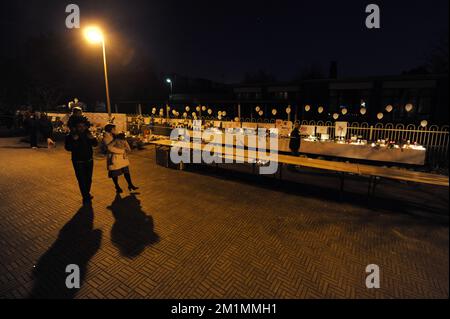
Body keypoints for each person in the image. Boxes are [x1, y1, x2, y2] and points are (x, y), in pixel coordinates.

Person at [65, 117, 98, 205]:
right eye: (79, 126)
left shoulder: (87, 134)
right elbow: (68, 148)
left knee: (89, 179)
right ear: (75, 127)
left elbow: (95, 144)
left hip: (89, 160)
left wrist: (92, 138)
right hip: (78, 161)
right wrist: (74, 140)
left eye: (83, 126)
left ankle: (86, 193)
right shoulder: (70, 136)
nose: (82, 128)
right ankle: (85, 196)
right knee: (81, 180)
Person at [102, 124, 139, 194]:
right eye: (114, 129)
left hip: (122, 158)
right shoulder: (106, 138)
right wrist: (122, 151)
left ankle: (130, 185)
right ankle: (117, 186)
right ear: (110, 129)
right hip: (114, 158)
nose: (115, 130)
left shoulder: (115, 135)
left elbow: (122, 141)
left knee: (126, 171)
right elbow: (110, 148)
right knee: (115, 174)